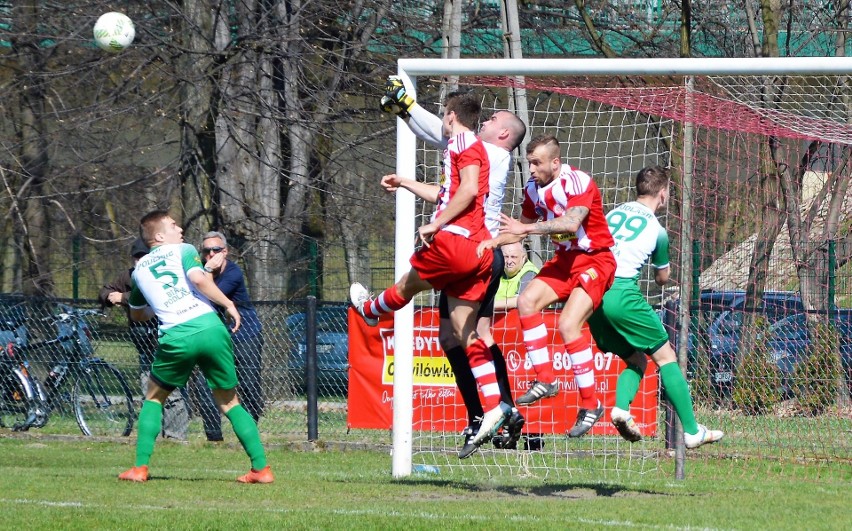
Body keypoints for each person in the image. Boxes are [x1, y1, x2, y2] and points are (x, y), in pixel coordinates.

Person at [350, 91, 508, 452]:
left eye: (443, 114)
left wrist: (437, 226)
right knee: (464, 332)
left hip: (456, 243)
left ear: (451, 116)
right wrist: (406, 182)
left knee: (406, 286)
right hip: (478, 250)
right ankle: (496, 405)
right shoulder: (473, 147)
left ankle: (371, 311)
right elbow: (448, 191)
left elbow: (466, 190)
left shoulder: (463, 143)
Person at [380, 77, 528, 457]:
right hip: (467, 249)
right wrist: (407, 110)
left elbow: (444, 132)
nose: (485, 120)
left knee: (474, 333)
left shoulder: (491, 153)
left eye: (493, 118)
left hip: (475, 253)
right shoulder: (481, 150)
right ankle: (487, 414)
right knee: (453, 337)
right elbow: (443, 135)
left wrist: (409, 107)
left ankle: (500, 412)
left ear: (504, 133)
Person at [118, 210, 272, 484]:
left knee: (154, 398)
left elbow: (138, 314)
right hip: (211, 327)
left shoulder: (139, 271)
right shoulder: (184, 250)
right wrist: (228, 304)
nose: (180, 229)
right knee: (229, 401)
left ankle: (140, 468)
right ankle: (261, 469)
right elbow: (200, 280)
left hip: (178, 335)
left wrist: (162, 304)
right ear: (159, 236)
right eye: (174, 225)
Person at [478, 134, 616, 438]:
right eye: (529, 163)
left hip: (595, 261)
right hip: (564, 261)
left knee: (568, 324)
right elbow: (518, 230)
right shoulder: (532, 189)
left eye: (537, 163)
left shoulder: (577, 181)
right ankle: (545, 379)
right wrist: (490, 242)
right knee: (526, 302)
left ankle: (591, 405)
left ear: (555, 162)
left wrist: (524, 228)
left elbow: (570, 224)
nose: (531, 169)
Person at [587, 166, 724, 448]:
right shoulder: (657, 229)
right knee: (666, 357)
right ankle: (691, 430)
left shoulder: (613, 214)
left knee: (636, 359)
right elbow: (662, 279)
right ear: (663, 194)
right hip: (622, 293)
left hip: (593, 295)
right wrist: (664, 270)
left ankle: (621, 409)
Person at [98, 238, 190, 441]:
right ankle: (153, 437)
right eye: (137, 257)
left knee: (172, 394)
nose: (140, 261)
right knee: (149, 394)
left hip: (167, 343)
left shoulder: (160, 273)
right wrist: (110, 296)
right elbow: (105, 291)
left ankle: (176, 437)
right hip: (144, 346)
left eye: (145, 257)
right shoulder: (129, 276)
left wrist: (122, 298)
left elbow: (148, 295)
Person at [190, 231, 265, 442]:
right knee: (205, 387)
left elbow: (212, 296)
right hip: (217, 339)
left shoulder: (233, 273)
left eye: (216, 250)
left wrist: (208, 272)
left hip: (245, 336)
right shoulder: (201, 272)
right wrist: (206, 271)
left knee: (249, 386)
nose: (211, 254)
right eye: (206, 251)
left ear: (225, 251)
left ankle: (250, 435)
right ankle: (214, 439)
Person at [493, 240, 540, 311]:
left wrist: (489, 305)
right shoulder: (498, 269)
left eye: (513, 257)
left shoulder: (530, 273)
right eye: (506, 257)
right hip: (497, 317)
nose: (509, 261)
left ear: (523, 258)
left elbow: (519, 300)